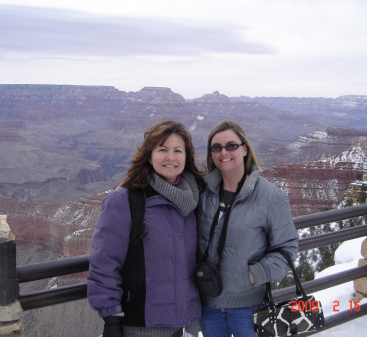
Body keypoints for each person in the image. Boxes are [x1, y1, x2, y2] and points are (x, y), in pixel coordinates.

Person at [87, 120, 205, 337]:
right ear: (149, 156)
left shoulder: (197, 197)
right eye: (162, 150)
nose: (171, 157)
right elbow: (104, 263)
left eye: (178, 150)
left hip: (189, 323)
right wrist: (111, 317)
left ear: (186, 157)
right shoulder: (125, 200)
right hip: (143, 326)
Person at [196, 120, 299, 337]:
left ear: (244, 149)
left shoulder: (271, 197)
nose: (224, 152)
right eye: (216, 147)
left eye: (231, 145)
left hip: (250, 308)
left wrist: (254, 274)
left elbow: (287, 248)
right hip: (208, 308)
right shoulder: (202, 193)